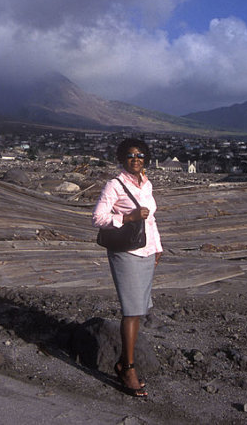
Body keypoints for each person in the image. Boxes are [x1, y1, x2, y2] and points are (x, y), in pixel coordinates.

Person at [92, 137, 162, 397]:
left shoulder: (147, 184)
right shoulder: (115, 185)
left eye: (141, 155)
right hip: (125, 252)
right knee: (131, 310)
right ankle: (127, 368)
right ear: (122, 158)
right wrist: (127, 217)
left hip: (146, 251)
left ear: (146, 159)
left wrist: (158, 247)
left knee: (140, 310)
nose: (136, 159)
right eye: (131, 155)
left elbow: (151, 220)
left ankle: (124, 361)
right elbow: (97, 217)